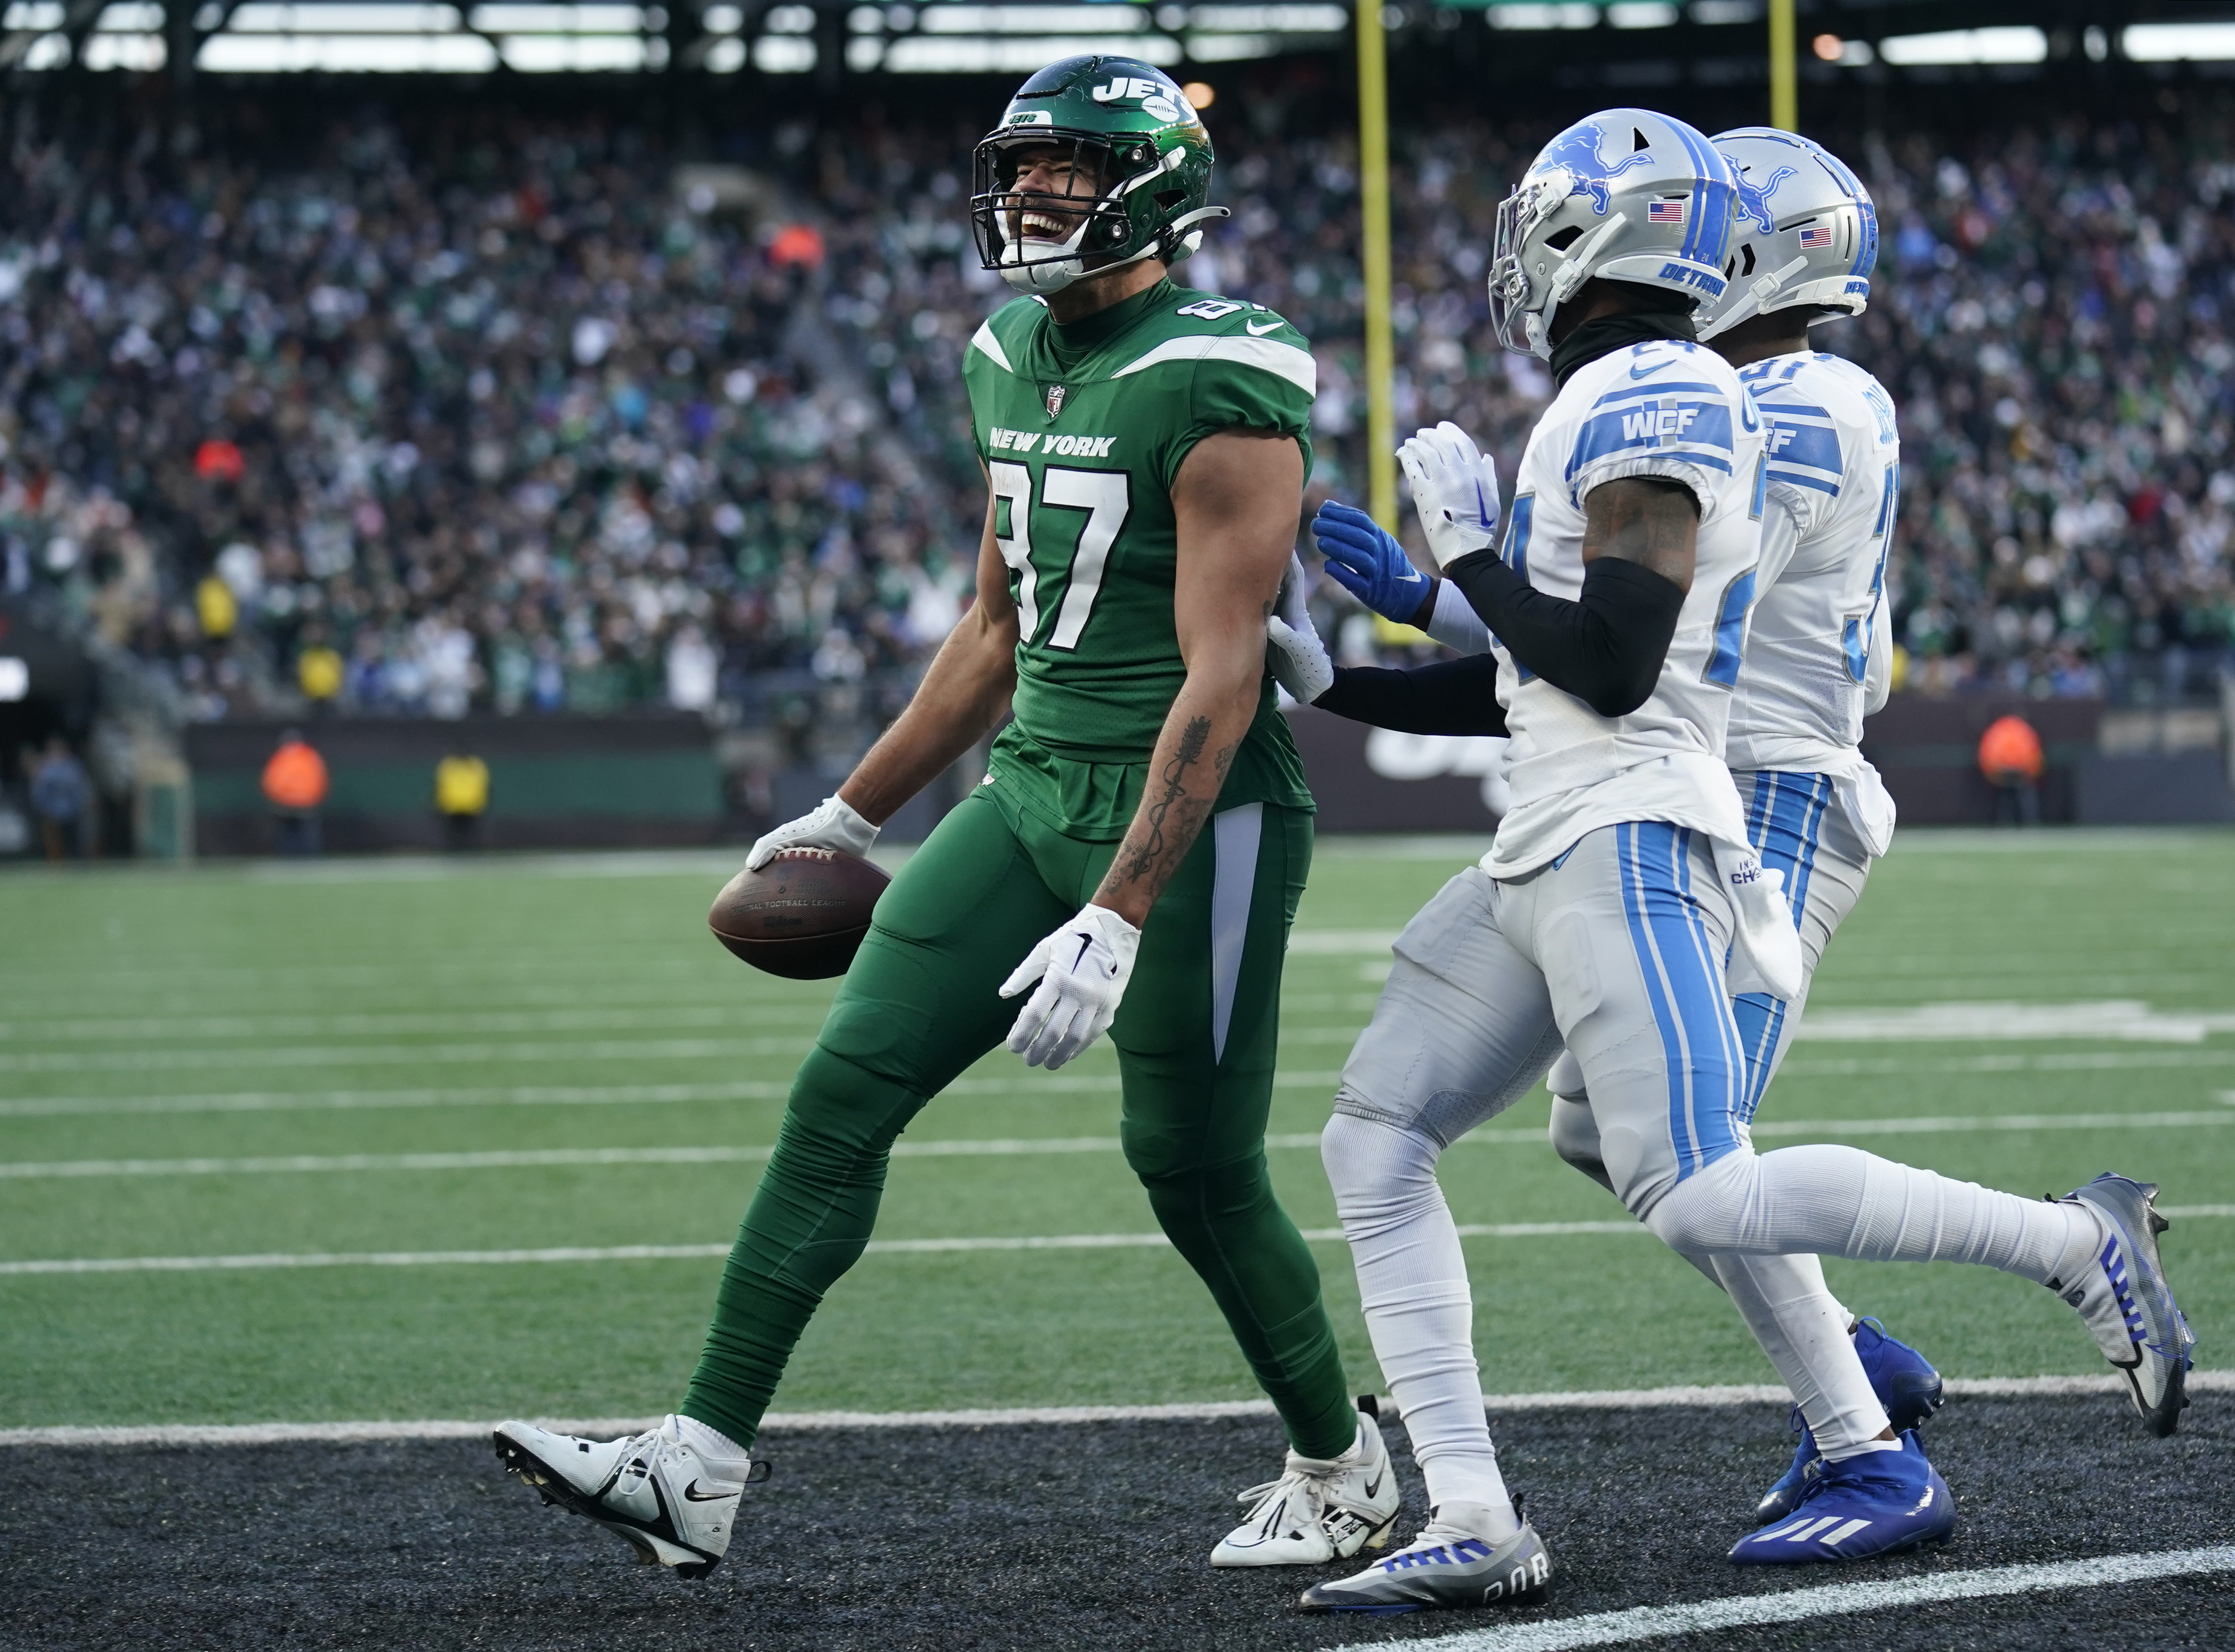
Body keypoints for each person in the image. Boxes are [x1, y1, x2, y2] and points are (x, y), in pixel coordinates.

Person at [1263, 109, 2192, 1614]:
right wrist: (1361, 664)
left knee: (1694, 1176)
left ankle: (1994, 1310)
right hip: (1584, 806)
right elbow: (1570, 650)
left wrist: (1466, 569)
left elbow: (1634, 645)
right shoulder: (1696, 392)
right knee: (1428, 1133)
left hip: (1727, 801)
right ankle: (1500, 1497)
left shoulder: (1753, 400)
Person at [493, 55, 1398, 1581]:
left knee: (1189, 1166)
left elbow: (1222, 678)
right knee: (843, 1086)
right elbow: (990, 630)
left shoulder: (1221, 372)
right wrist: (851, 812)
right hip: (1032, 781)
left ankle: (1341, 1458)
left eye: (1066, 168)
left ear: (1153, 187)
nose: (1031, 193)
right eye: (1022, 167)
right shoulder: (1003, 351)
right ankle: (696, 1462)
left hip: (1202, 823)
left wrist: (1116, 909)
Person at [260, 730, 327, 857]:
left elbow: (271, 781)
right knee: (304, 833)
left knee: (290, 834)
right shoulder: (310, 756)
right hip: (304, 802)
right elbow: (320, 778)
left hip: (288, 803)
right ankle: (308, 858)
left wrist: (279, 798)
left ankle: (292, 858)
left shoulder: (281, 757)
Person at [29, 737, 89, 862]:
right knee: (54, 842)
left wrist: (81, 805)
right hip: (52, 811)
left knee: (74, 841)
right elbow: (40, 791)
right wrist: (44, 809)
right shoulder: (45, 768)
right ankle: (56, 865)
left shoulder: (72, 766)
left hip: (72, 811)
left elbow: (80, 788)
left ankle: (76, 862)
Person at [1978, 712, 2044, 825]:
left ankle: (2012, 822)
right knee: (2014, 795)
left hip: (2015, 773)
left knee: (2020, 794)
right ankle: (2025, 822)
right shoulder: (2020, 731)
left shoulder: (2000, 731)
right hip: (2007, 774)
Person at [434, 752, 488, 851]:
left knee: (471, 834)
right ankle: (454, 853)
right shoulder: (449, 765)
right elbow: (441, 785)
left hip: (471, 805)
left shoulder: (475, 765)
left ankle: (471, 852)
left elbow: (483, 785)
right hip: (452, 806)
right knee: (453, 834)